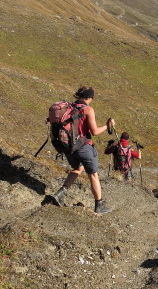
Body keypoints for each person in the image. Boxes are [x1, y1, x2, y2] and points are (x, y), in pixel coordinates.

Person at [49, 85, 114, 214]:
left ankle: (61, 192)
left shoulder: (68, 107)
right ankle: (99, 204)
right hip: (83, 147)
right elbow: (94, 132)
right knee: (93, 174)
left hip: (68, 148)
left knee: (78, 168)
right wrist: (107, 126)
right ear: (89, 97)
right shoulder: (88, 109)